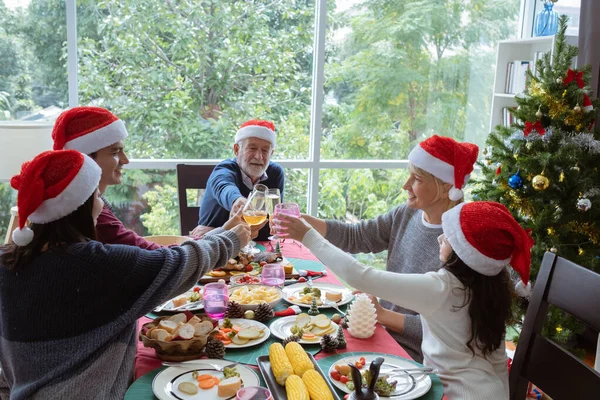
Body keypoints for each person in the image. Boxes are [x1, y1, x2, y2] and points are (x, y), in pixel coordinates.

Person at [0, 150, 250, 399]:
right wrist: (230, 240)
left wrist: (219, 235)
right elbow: (175, 264)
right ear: (80, 205)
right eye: (97, 194)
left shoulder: (7, 262)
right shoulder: (97, 264)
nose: (103, 203)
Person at [276, 201, 534, 399]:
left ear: (466, 253)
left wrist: (308, 235)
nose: (440, 237)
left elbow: (360, 275)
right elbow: (498, 364)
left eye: (449, 237)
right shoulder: (493, 285)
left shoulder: (442, 288)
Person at [295, 135, 479, 362]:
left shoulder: (461, 244)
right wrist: (306, 221)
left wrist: (380, 314)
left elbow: (447, 331)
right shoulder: (407, 213)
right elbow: (357, 236)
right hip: (380, 331)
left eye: (417, 179)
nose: (406, 185)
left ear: (447, 187)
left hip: (415, 353)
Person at [51, 106, 262, 248]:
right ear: (86, 159)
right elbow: (152, 258)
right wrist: (225, 236)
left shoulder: (91, 203)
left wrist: (221, 232)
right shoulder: (88, 212)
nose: (126, 160)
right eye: (115, 152)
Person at [192, 119, 285, 241]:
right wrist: (237, 201)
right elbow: (224, 186)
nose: (258, 156)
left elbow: (270, 228)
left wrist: (218, 230)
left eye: (265, 150)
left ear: (271, 153)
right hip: (216, 248)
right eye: (252, 148)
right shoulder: (223, 170)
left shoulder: (275, 173)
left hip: (256, 250)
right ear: (236, 150)